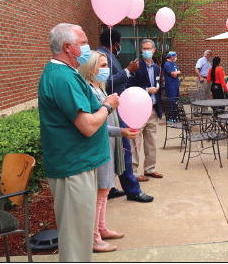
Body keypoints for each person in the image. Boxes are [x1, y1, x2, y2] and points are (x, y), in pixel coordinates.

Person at [39, 23, 119, 261]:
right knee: (75, 242)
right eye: (83, 42)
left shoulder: (68, 73)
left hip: (80, 165)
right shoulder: (62, 77)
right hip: (73, 168)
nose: (87, 47)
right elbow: (87, 125)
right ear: (68, 47)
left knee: (81, 235)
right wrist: (108, 105)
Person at [78, 51, 139, 253]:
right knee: (101, 191)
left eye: (106, 66)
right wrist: (120, 131)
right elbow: (96, 124)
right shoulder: (89, 91)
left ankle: (102, 228)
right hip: (100, 147)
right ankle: (94, 237)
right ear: (90, 68)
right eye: (102, 66)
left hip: (109, 147)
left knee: (105, 191)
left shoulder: (101, 90)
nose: (106, 70)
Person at [98, 29, 153, 203]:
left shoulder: (107, 54)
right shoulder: (103, 56)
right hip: (112, 109)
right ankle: (133, 190)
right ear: (116, 43)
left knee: (115, 151)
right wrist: (128, 71)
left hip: (114, 107)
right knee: (124, 150)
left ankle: (110, 186)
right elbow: (106, 83)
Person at [127, 39, 164, 181]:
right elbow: (128, 86)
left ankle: (150, 169)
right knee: (135, 143)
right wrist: (146, 90)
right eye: (144, 49)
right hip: (138, 110)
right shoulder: (135, 66)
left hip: (153, 109)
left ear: (154, 50)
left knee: (151, 142)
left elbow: (160, 86)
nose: (146, 51)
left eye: (149, 48)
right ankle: (134, 172)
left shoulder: (157, 68)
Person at [163, 51, 181, 123]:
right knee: (171, 101)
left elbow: (179, 72)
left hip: (176, 85)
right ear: (171, 57)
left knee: (176, 101)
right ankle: (170, 118)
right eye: (175, 56)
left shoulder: (174, 64)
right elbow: (173, 74)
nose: (176, 57)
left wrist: (177, 72)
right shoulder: (167, 64)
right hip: (170, 86)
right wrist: (177, 72)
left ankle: (175, 116)